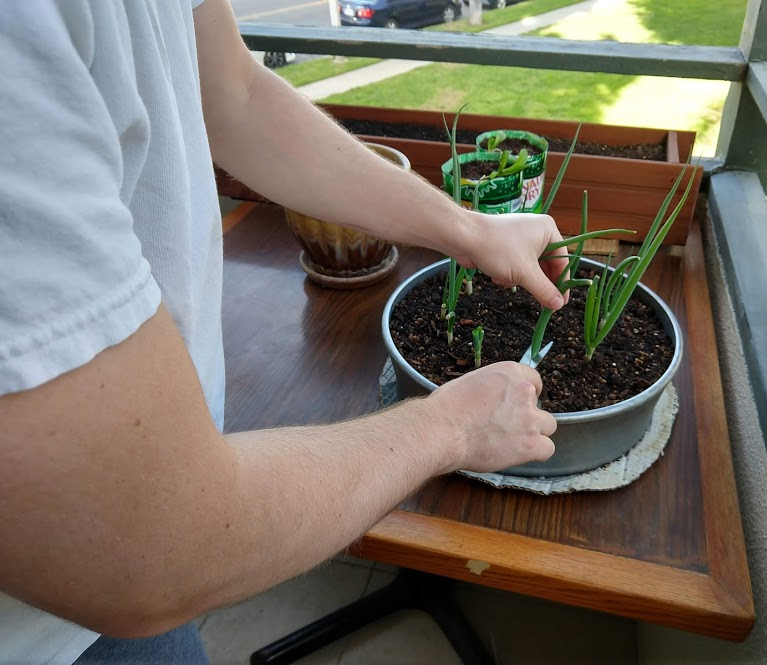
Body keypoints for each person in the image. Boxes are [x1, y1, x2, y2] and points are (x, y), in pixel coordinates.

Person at [0, 1, 568, 662]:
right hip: (49, 627)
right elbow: (156, 548)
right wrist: (454, 427)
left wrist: (468, 228)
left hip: (134, 557)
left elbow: (235, 93)